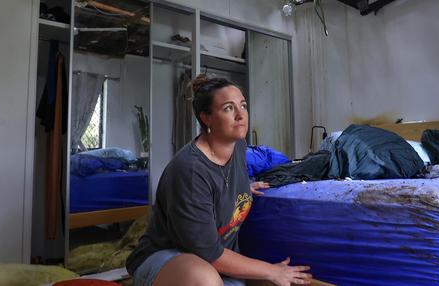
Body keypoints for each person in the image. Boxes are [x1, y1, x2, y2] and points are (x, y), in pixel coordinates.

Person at [126, 74, 312, 286]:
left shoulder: (238, 147)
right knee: (205, 279)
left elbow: (222, 183)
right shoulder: (190, 170)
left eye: (243, 105)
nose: (240, 115)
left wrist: (242, 188)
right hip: (168, 258)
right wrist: (272, 271)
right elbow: (210, 252)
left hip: (213, 262)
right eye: (228, 108)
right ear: (207, 118)